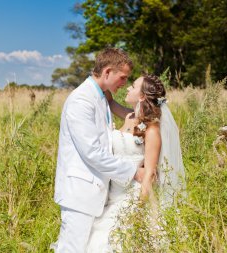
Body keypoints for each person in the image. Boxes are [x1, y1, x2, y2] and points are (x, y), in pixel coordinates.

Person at [52, 48, 145, 252]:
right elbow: (92, 153)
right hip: (80, 193)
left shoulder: (103, 98)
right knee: (72, 248)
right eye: (122, 77)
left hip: (98, 193)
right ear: (107, 72)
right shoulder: (81, 100)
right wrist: (133, 172)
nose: (124, 83)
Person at [86, 74, 186, 252]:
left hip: (132, 195)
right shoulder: (129, 116)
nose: (127, 88)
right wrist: (102, 77)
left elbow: (150, 174)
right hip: (113, 192)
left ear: (141, 96)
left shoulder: (152, 129)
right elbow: (109, 101)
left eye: (132, 86)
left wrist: (138, 210)